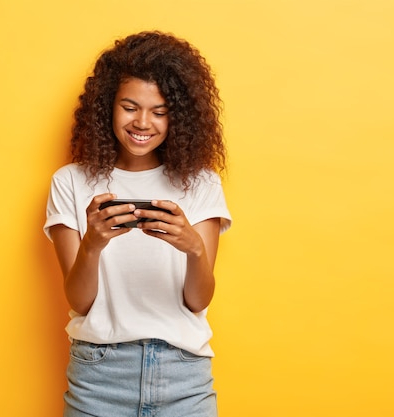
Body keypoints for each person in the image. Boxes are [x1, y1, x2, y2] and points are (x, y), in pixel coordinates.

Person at [44, 30, 232, 417]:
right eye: (129, 106)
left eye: (159, 111)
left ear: (177, 116)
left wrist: (193, 247)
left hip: (184, 376)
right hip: (99, 376)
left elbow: (199, 300)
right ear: (106, 107)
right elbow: (79, 301)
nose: (143, 122)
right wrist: (93, 244)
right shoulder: (71, 182)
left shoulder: (201, 183)